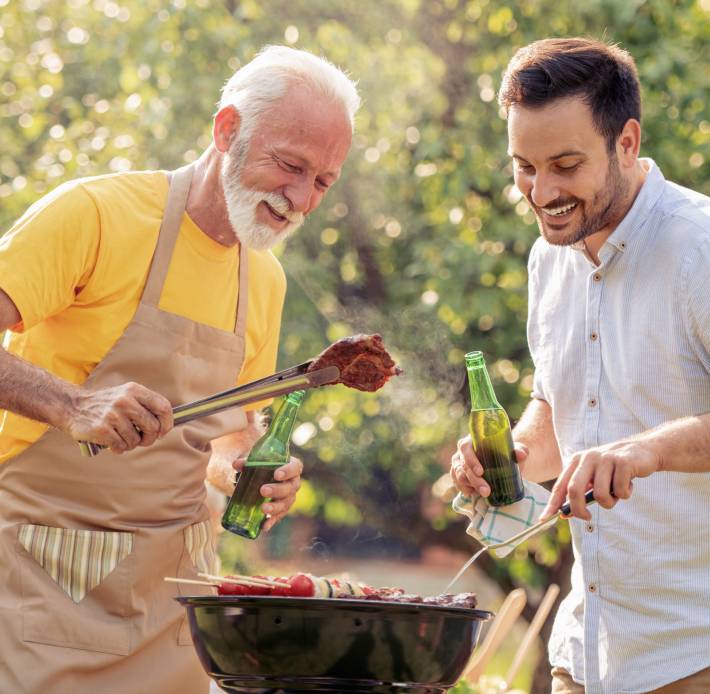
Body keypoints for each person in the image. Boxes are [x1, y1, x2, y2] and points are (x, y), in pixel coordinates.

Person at [0, 46, 359, 693]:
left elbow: (227, 435)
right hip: (40, 590)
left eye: (323, 182)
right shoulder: (96, 214)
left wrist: (254, 469)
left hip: (174, 615)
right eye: (290, 164)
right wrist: (71, 404)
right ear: (227, 130)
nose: (302, 198)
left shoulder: (265, 279)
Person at [450, 38, 709, 694]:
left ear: (625, 142)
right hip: (585, 652)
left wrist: (645, 452)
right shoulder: (549, 260)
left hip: (693, 651)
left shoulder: (698, 249)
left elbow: (633, 435)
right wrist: (505, 456)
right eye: (525, 167)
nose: (543, 192)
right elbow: (560, 413)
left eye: (566, 164)